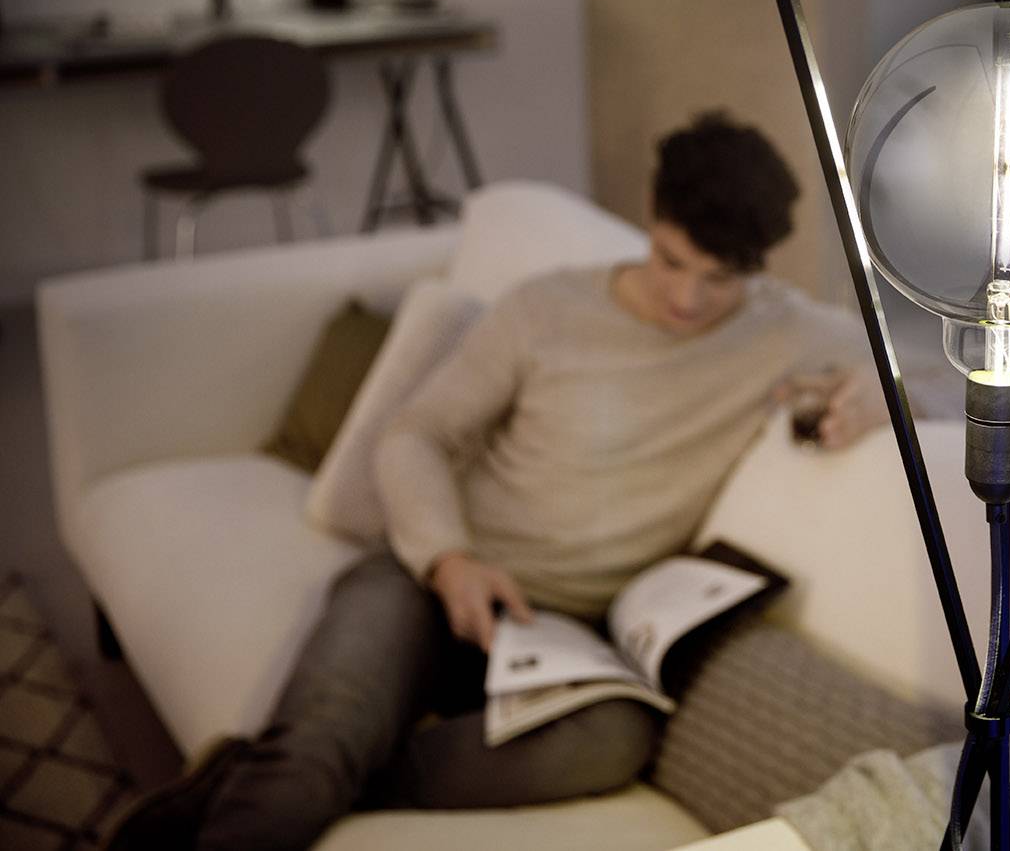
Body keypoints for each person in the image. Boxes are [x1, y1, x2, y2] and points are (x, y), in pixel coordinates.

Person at [106, 112, 901, 851]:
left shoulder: (785, 331)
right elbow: (415, 435)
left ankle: (295, 774)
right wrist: (448, 557)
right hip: (428, 580)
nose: (687, 298)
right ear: (648, 218)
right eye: (670, 261)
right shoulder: (545, 309)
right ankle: (300, 769)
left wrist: (876, 392)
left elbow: (920, 365)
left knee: (615, 739)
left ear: (758, 267)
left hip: (559, 635)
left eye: (718, 279)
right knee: (314, 752)